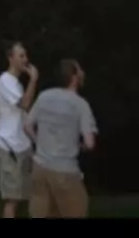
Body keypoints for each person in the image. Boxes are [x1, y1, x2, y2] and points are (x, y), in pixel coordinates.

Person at [27, 59, 98, 218]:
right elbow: (90, 143)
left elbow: (28, 126)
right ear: (74, 77)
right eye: (79, 70)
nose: (82, 73)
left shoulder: (44, 96)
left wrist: (40, 143)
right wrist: (79, 147)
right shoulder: (80, 105)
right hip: (65, 172)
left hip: (40, 169)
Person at [0, 42, 38, 217]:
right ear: (10, 58)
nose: (25, 60)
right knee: (12, 199)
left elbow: (24, 115)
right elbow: (25, 103)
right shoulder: (4, 81)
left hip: (23, 145)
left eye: (26, 55)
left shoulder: (17, 84)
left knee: (29, 195)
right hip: (9, 146)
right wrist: (33, 79)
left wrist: (35, 141)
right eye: (21, 56)